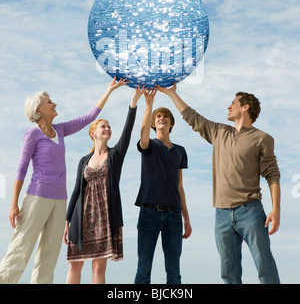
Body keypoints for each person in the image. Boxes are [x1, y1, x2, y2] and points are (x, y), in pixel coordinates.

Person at [0, 77, 128, 284]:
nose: (54, 104)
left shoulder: (60, 130)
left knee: (49, 257)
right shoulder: (32, 133)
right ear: (39, 109)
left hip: (59, 200)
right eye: (49, 102)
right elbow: (22, 168)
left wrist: (109, 90)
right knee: (21, 249)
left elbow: (89, 117)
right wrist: (14, 204)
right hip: (37, 197)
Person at [156, 82, 281, 284]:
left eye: (233, 103)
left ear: (245, 106)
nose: (229, 107)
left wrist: (276, 209)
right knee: (228, 275)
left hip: (251, 212)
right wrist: (171, 94)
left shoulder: (262, 138)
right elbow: (192, 117)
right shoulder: (219, 132)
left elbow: (272, 175)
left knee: (265, 268)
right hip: (221, 214)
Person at [64, 85, 145, 284]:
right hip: (81, 217)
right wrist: (67, 221)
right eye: (103, 126)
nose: (108, 128)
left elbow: (127, 131)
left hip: (104, 217)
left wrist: (134, 102)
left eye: (109, 126)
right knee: (75, 264)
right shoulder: (83, 160)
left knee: (98, 268)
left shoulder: (115, 155)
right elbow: (76, 192)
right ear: (93, 133)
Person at [134, 88, 192, 284]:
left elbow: (180, 186)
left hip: (174, 216)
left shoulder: (180, 151)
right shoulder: (148, 145)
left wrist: (187, 218)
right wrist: (148, 106)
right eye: (158, 116)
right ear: (153, 123)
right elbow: (142, 138)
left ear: (171, 123)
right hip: (149, 214)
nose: (162, 118)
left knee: (174, 271)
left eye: (165, 116)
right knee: (143, 270)